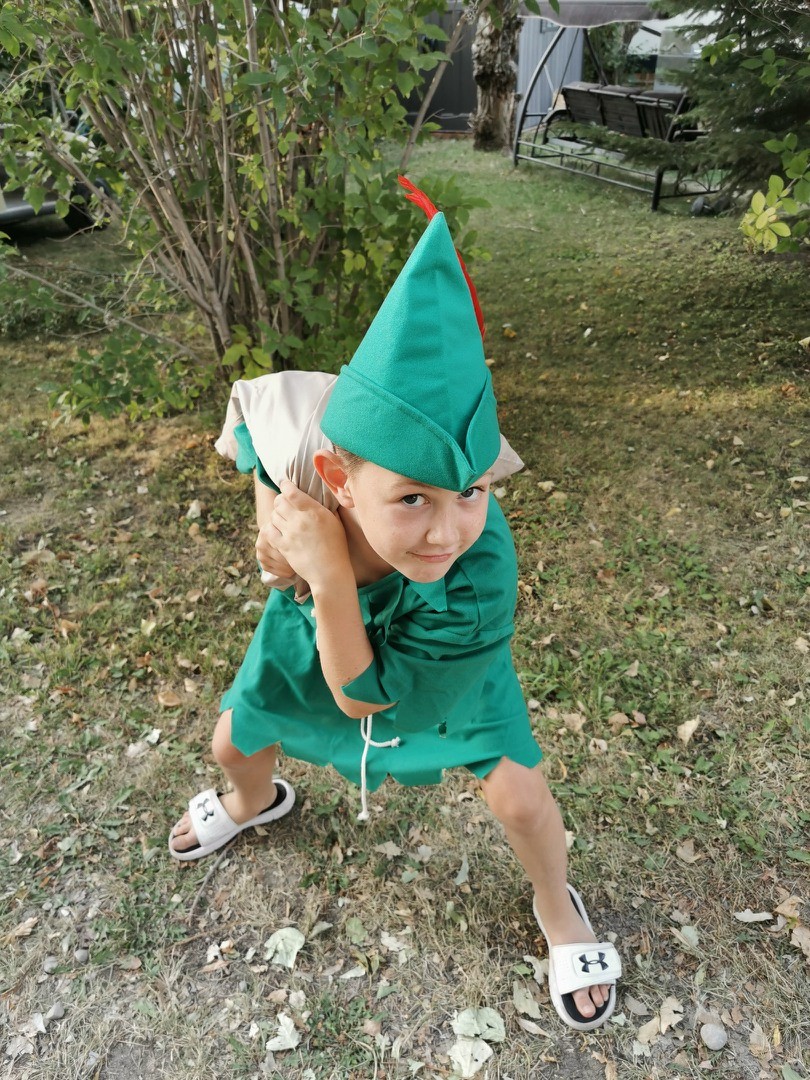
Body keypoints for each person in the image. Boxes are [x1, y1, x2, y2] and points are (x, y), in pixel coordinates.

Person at [168, 179, 621, 1031]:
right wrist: (277, 531)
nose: (448, 531)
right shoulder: (310, 449)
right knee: (233, 741)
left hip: (435, 667)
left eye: (472, 491)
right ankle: (252, 802)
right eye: (413, 498)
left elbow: (371, 700)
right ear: (338, 476)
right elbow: (258, 433)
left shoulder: (475, 579)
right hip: (304, 634)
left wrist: (330, 576)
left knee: (519, 800)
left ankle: (558, 908)